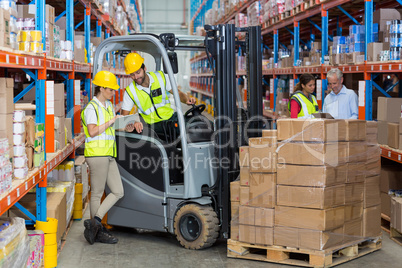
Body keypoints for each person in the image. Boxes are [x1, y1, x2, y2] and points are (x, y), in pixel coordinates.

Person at [81, 71, 128, 245]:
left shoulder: (107, 106)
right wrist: (112, 120)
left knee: (118, 191)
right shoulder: (91, 108)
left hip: (108, 153)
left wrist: (127, 126)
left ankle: (94, 223)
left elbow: (110, 128)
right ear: (101, 88)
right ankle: (98, 232)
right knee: (97, 194)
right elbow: (93, 131)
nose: (113, 92)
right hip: (96, 154)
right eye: (110, 89)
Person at [121, 52, 196, 136]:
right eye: (132, 75)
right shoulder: (130, 91)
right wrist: (133, 122)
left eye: (138, 72)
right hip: (152, 126)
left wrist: (187, 99)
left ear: (144, 68)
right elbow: (123, 117)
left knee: (195, 124)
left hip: (170, 118)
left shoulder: (160, 77)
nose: (136, 77)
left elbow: (177, 93)